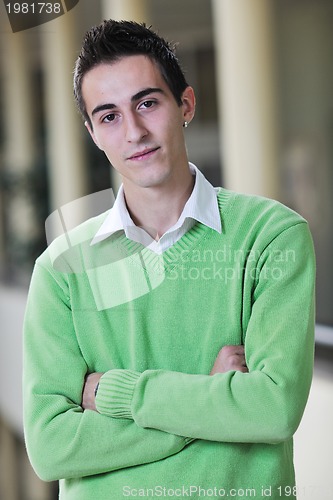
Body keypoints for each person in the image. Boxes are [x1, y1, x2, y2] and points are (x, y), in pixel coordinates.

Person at [23, 20, 315, 500]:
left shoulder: (272, 236)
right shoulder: (62, 269)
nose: (134, 132)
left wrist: (120, 396)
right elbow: (52, 447)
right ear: (94, 133)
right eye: (110, 116)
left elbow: (272, 408)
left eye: (147, 103)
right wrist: (209, 398)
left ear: (185, 105)